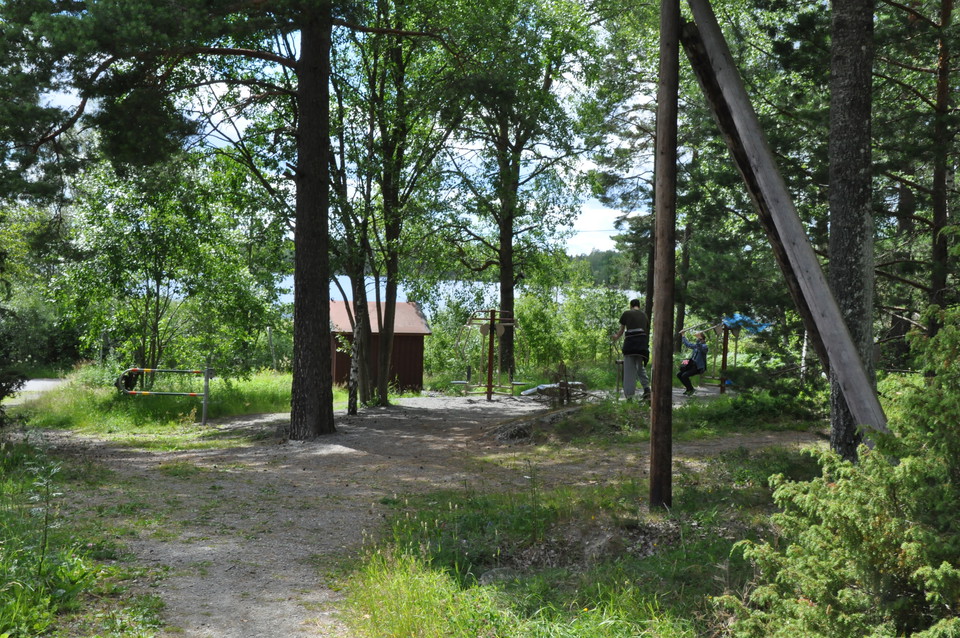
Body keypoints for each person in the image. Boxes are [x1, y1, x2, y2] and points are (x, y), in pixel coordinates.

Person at [611, 299, 650, 400]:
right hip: (642, 346)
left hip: (630, 345)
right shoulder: (645, 315)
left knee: (629, 371)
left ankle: (629, 397)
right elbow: (646, 330)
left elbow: (621, 330)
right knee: (640, 367)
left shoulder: (627, 313)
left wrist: (615, 337)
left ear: (631, 305)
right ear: (639, 306)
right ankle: (647, 389)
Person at [677, 331, 708, 396]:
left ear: (702, 338)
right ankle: (689, 389)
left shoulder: (704, 346)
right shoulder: (696, 346)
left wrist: (699, 339)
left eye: (698, 338)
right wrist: (683, 335)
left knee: (684, 375)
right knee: (679, 374)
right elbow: (688, 344)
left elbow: (700, 348)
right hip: (692, 365)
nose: (697, 339)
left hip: (698, 367)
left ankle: (691, 389)